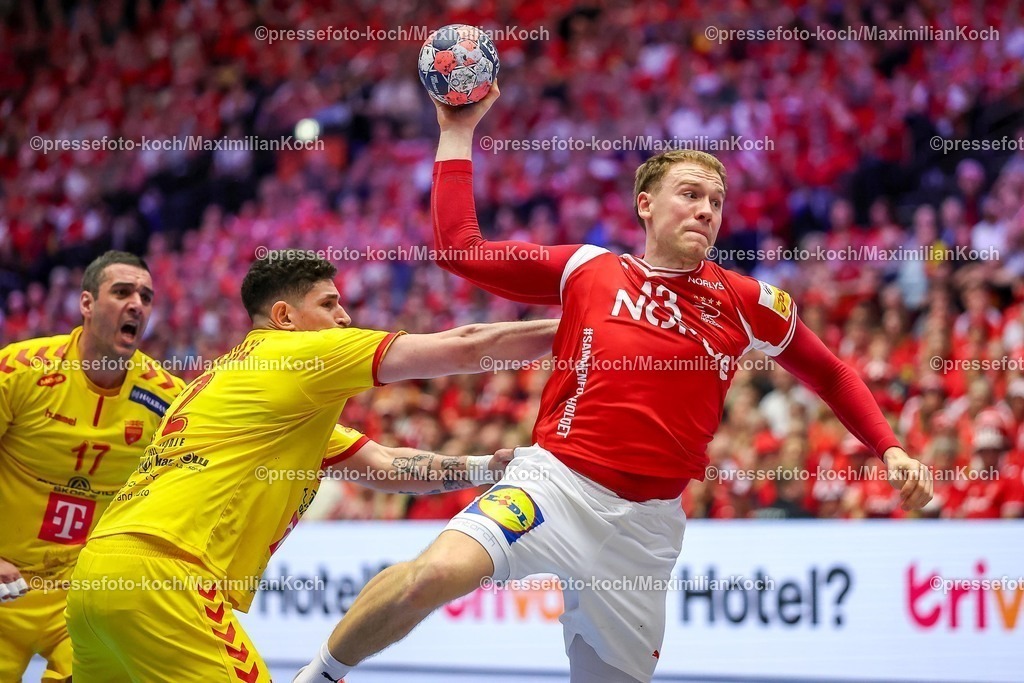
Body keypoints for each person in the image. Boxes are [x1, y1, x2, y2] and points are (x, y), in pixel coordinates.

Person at [295, 85, 934, 683]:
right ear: (646, 204)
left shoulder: (750, 301)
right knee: (430, 576)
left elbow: (831, 371)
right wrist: (457, 131)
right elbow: (461, 248)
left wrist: (892, 448)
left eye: (716, 202)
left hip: (649, 529)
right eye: (691, 194)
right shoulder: (588, 269)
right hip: (555, 486)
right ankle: (316, 675)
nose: (707, 211)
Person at [64, 252, 557, 682]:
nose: (344, 318)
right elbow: (470, 345)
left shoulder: (249, 386)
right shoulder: (300, 356)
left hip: (97, 576)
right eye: (328, 305)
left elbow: (385, 465)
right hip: (168, 577)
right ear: (284, 316)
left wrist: (481, 468)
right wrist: (585, 327)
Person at [0, 251, 186, 683]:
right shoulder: (20, 371)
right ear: (86, 304)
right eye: (122, 292)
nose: (136, 304)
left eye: (146, 296)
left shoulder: (167, 397)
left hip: (85, 594)